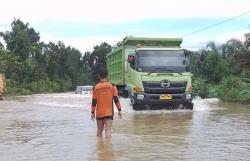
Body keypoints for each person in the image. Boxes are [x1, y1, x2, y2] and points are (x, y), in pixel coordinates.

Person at [91, 67, 122, 138]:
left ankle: (99, 147)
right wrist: (119, 110)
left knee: (99, 131)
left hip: (99, 113)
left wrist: (92, 112)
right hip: (109, 112)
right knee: (108, 131)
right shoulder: (112, 86)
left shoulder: (95, 87)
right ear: (107, 75)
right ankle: (108, 148)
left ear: (99, 75)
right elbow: (116, 99)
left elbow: (94, 101)